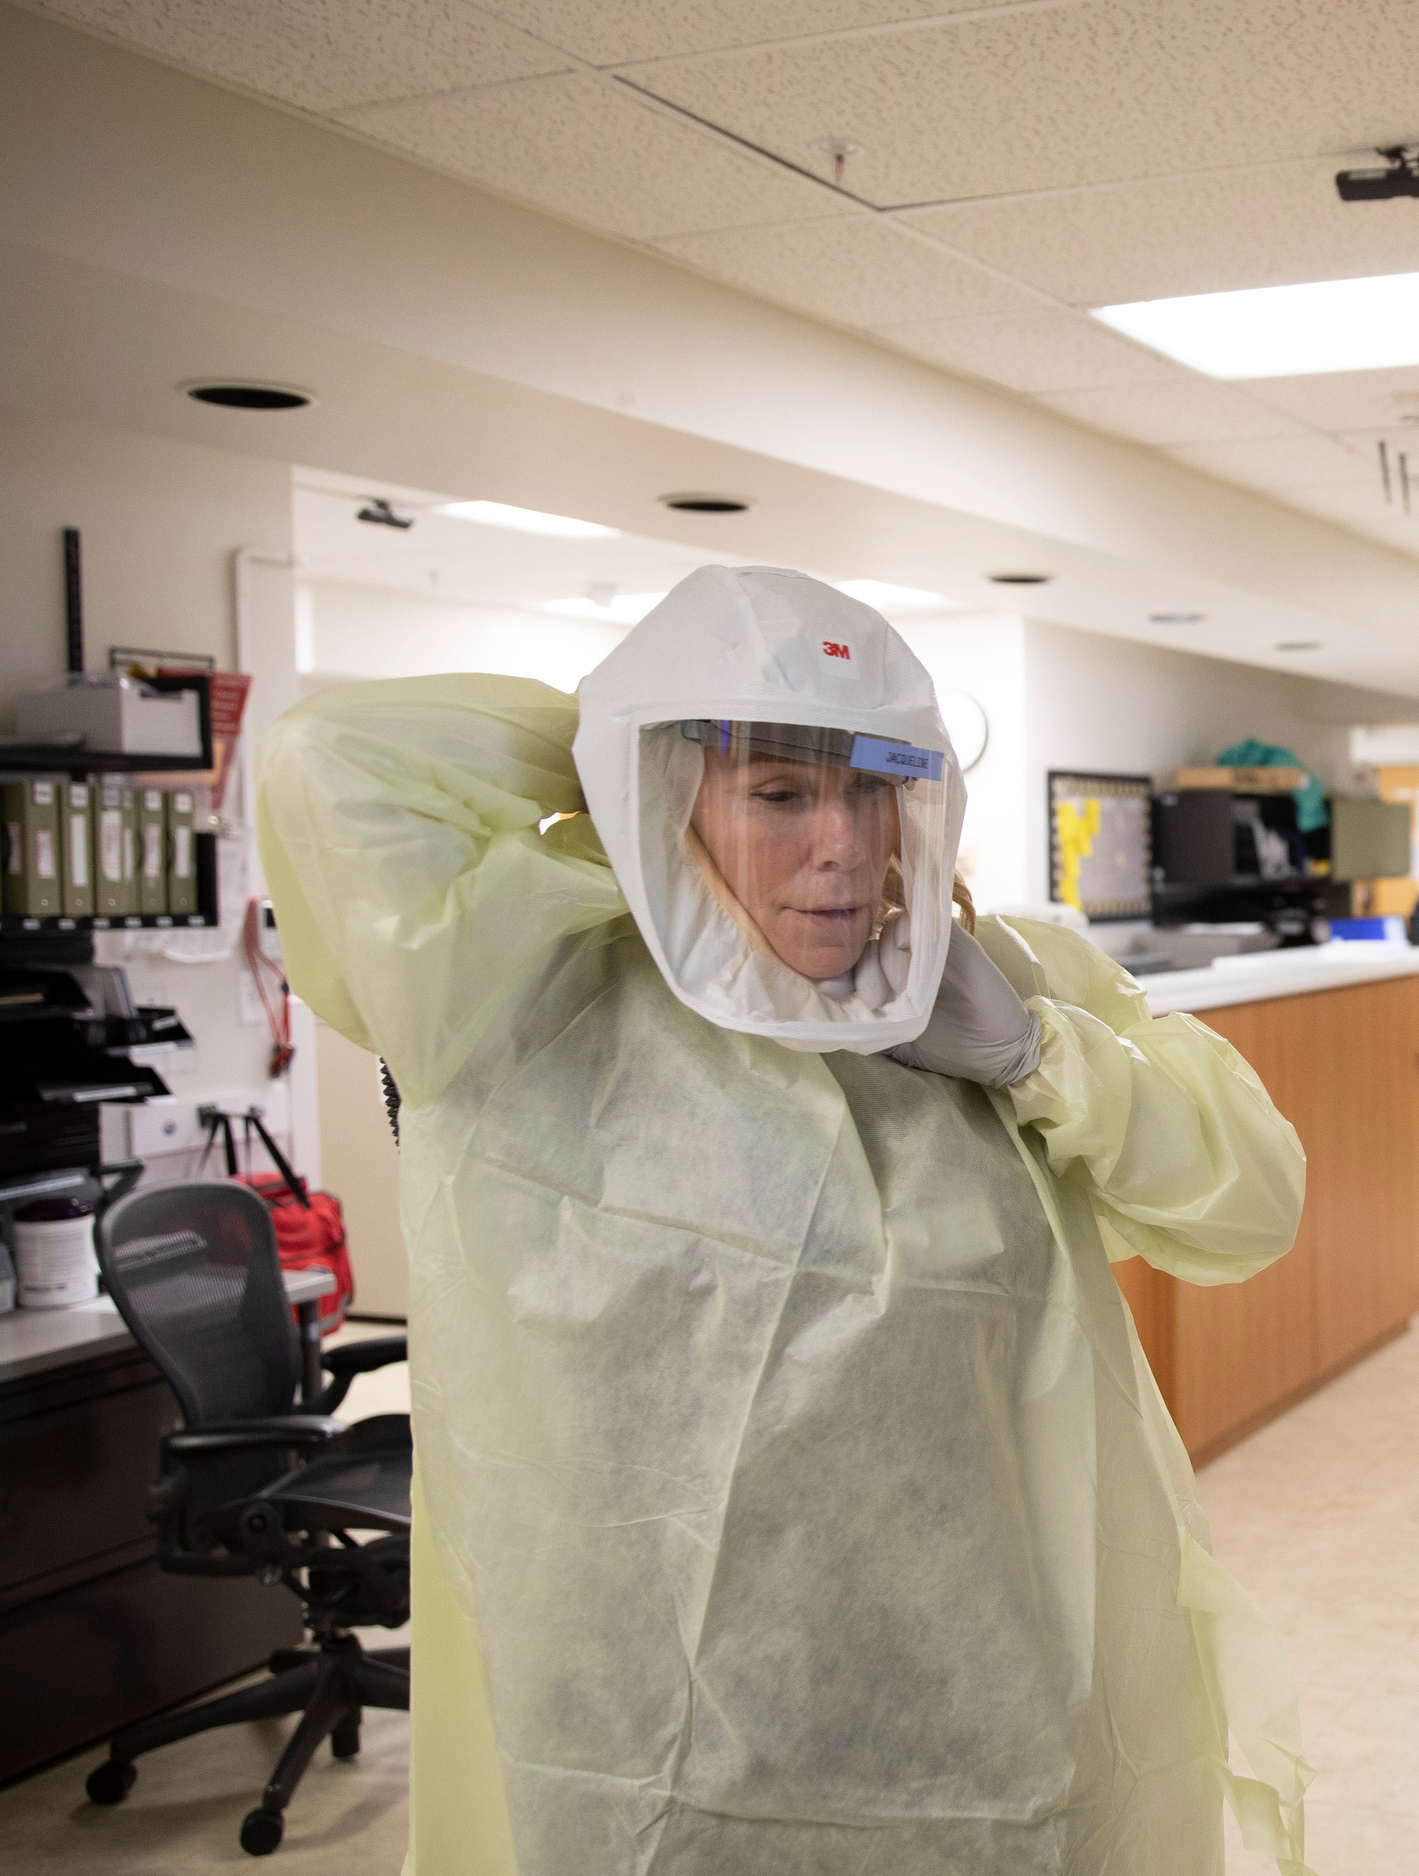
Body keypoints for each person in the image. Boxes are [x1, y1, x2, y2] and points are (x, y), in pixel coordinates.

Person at [257, 567, 1312, 1875]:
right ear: (663, 789)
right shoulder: (527, 1000)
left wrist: (1042, 1055)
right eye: (777, 793)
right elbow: (328, 758)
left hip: (985, 1693)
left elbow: (1252, 1200)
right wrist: (634, 727)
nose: (845, 844)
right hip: (656, 1725)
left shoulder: (998, 982)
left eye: (875, 785)